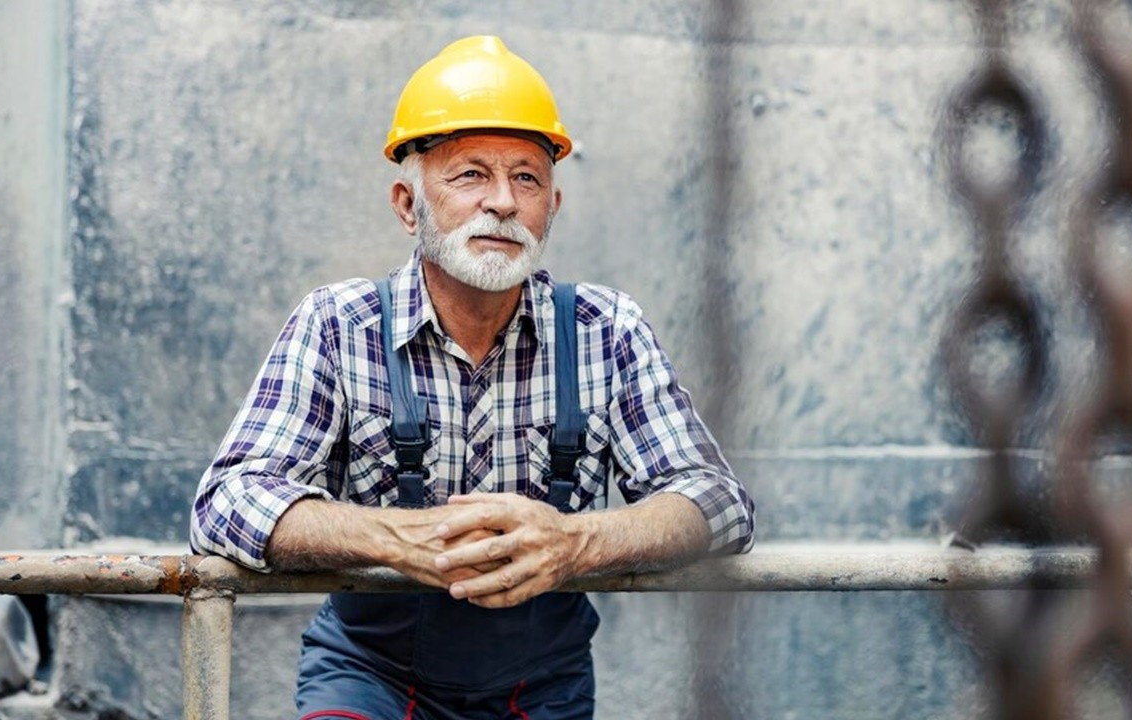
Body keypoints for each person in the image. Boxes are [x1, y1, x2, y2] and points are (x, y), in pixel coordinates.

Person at [190, 35, 754, 720]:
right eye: (469, 176)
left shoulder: (606, 330)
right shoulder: (340, 324)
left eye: (527, 177)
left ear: (553, 204)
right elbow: (228, 502)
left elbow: (718, 502)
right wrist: (394, 538)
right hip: (371, 679)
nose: (504, 202)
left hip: (538, 690)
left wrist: (576, 542)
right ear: (407, 204)